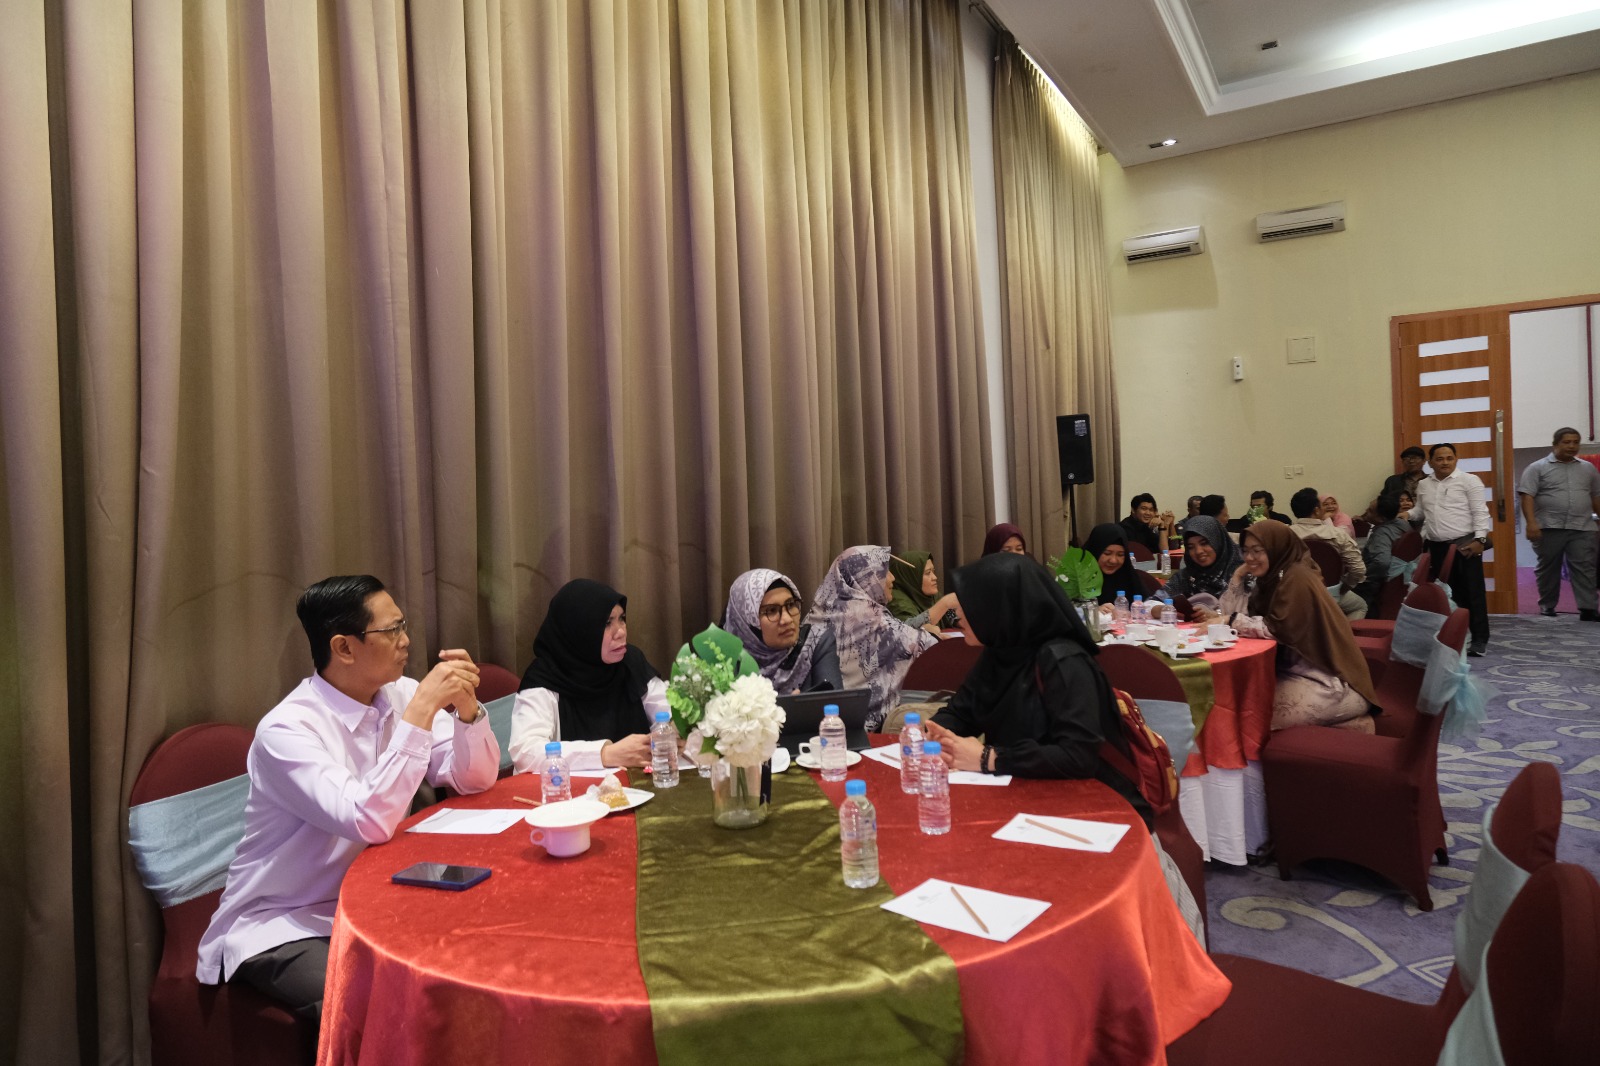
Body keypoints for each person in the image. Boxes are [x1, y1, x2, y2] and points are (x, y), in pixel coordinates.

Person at [196, 576, 500, 1057]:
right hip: (287, 919)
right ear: (343, 647)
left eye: (404, 625)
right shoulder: (287, 730)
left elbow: (476, 779)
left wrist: (466, 711)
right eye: (392, 630)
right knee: (376, 1002)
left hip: (379, 896)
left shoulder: (399, 694)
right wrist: (423, 709)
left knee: (476, 955)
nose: (406, 640)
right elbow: (367, 820)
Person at [922, 552, 1207, 943]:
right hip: (1029, 797)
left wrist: (988, 758)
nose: (960, 619)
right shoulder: (999, 654)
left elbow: (1078, 756)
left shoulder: (1063, 661)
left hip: (1095, 805)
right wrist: (935, 732)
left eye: (969, 608)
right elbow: (962, 712)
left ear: (1000, 609)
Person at [1194, 522, 1378, 732]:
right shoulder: (1271, 580)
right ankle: (1347, 724)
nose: (1250, 558)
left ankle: (1351, 721)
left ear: (1277, 548)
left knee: (1252, 717)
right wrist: (1237, 577)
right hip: (1296, 671)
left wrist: (1230, 620)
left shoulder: (1298, 577)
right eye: (1245, 551)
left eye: (1257, 550)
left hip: (1330, 680)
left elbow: (1279, 629)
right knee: (1237, 703)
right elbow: (1241, 616)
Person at [509, 579, 670, 773]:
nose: (621, 632)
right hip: (567, 789)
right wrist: (605, 754)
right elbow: (525, 751)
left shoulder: (630, 662)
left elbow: (668, 714)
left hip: (637, 784)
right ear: (579, 630)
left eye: (622, 618)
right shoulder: (545, 677)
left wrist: (672, 734)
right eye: (607, 623)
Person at [805, 545, 936, 730]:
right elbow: (927, 646)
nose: (892, 578)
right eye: (885, 572)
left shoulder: (818, 608)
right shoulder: (871, 616)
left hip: (818, 722)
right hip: (857, 726)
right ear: (866, 578)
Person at [1404, 442, 1492, 656]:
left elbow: (1480, 512)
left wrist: (1480, 539)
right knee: (1447, 594)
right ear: (1430, 462)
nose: (1445, 462)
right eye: (1440, 459)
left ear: (1456, 459)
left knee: (1473, 593)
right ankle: (1455, 635)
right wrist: (1407, 514)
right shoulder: (1424, 484)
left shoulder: (1469, 480)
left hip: (1465, 545)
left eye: (1449, 458)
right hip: (1436, 547)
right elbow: (1420, 511)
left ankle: (1479, 640)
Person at [1518, 427, 1600, 620]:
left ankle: (1588, 608)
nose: (1572, 446)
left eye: (1575, 442)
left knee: (1585, 567)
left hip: (1582, 527)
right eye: (1567, 442)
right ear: (1555, 444)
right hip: (1549, 527)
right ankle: (1547, 605)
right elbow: (1527, 496)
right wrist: (1531, 523)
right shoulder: (1537, 468)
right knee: (1548, 568)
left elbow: (1595, 496)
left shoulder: (1588, 469)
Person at [724, 568, 844, 692]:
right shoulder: (723, 658)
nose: (787, 619)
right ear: (747, 621)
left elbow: (834, 702)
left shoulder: (816, 642)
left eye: (791, 605)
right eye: (771, 611)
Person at [1288, 486, 1368, 620]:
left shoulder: (1285, 534)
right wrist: (1343, 587)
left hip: (1294, 593)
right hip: (1330, 593)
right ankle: (1341, 633)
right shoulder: (1338, 534)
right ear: (1316, 510)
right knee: (1360, 606)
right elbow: (1358, 569)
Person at [1353, 490, 1410, 613]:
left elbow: (1381, 563)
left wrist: (1363, 578)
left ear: (1381, 518)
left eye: (1370, 511)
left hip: (1372, 588)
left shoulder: (1380, 535)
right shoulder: (1403, 524)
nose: (1366, 512)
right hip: (1401, 581)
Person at [1164, 515, 1243, 601]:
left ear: (1218, 541)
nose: (1198, 551)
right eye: (1191, 547)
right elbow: (1157, 599)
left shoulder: (1242, 573)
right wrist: (1160, 606)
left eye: (1204, 543)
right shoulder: (1187, 576)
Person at [886, 550, 960, 633]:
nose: (934, 577)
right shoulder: (895, 598)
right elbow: (906, 629)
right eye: (928, 573)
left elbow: (954, 619)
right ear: (912, 577)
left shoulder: (933, 596)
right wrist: (944, 603)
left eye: (933, 571)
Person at [1084, 522, 1148, 606]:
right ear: (1095, 552)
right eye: (1107, 553)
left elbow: (1147, 604)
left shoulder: (1129, 577)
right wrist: (1094, 610)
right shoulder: (1079, 577)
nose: (1113, 560)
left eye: (1120, 555)